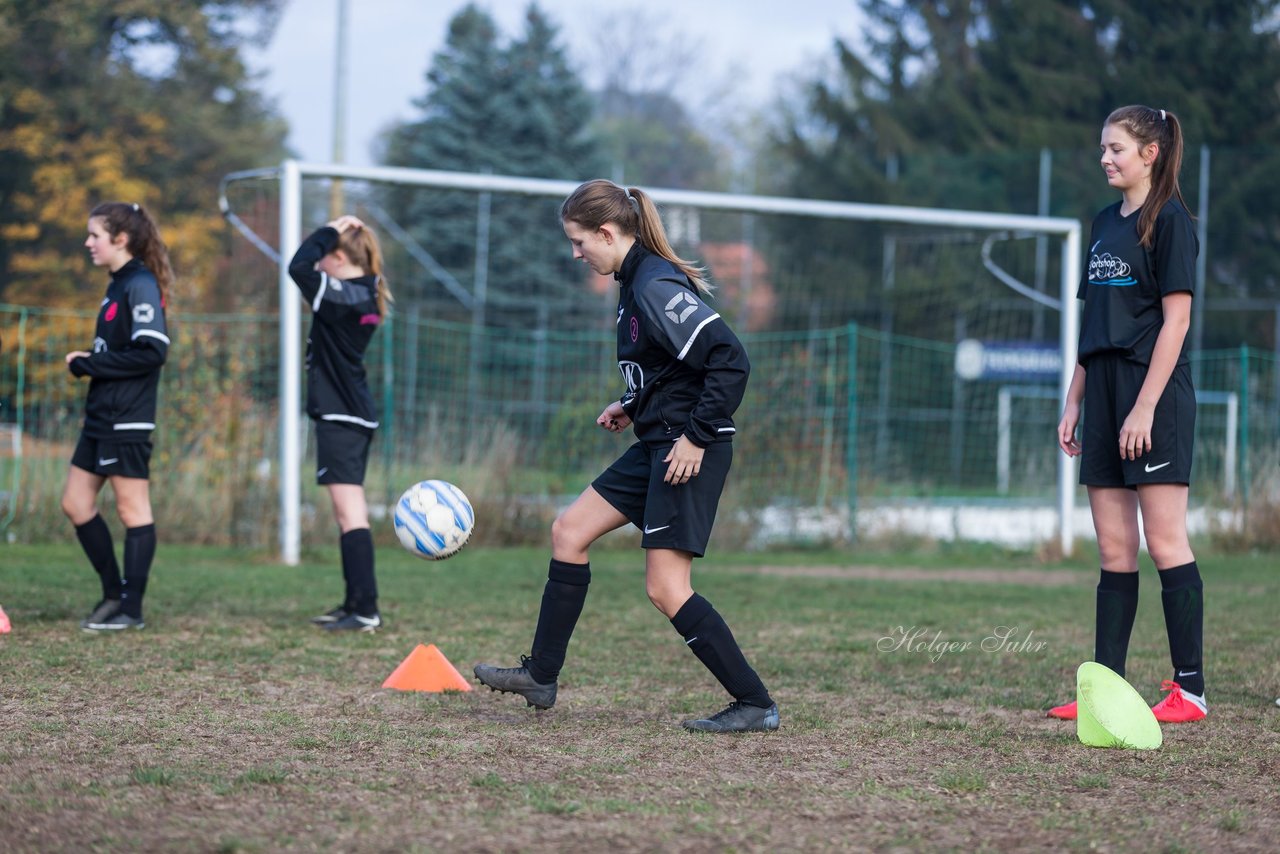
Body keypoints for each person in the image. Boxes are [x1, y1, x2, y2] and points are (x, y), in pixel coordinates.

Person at [473, 179, 779, 733]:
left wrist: (695, 437)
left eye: (579, 241)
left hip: (686, 451)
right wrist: (633, 403)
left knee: (666, 589)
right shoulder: (632, 279)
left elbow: (730, 359)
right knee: (568, 532)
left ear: (607, 233)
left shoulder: (656, 285)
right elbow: (670, 368)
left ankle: (754, 702)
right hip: (658, 441)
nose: (575, 253)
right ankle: (541, 676)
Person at [1050, 106, 1206, 723]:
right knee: (1115, 547)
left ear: (1150, 153)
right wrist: (1074, 401)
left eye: (1117, 148)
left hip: (1154, 392)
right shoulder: (1100, 224)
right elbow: (1096, 325)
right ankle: (1106, 692)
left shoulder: (1170, 221)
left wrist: (1143, 408)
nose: (1105, 158)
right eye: (1102, 148)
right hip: (1105, 388)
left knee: (1164, 540)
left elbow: (1178, 322)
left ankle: (1190, 690)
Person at [63, 202, 172, 632]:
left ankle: (131, 608)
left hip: (125, 419)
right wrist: (91, 359)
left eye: (95, 235)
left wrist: (88, 364)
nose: (88, 242)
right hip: (101, 417)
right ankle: (113, 594)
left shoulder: (139, 284)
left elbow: (152, 350)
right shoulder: (118, 284)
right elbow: (120, 351)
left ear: (120, 239)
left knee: (133, 510)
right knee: (75, 503)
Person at [287, 215, 391, 633]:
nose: (320, 265)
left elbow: (297, 268)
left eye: (326, 256)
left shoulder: (347, 295)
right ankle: (354, 603)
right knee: (346, 514)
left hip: (342, 416)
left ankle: (365, 610)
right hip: (349, 414)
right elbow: (307, 272)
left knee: (351, 515)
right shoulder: (361, 292)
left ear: (339, 256)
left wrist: (328, 229)